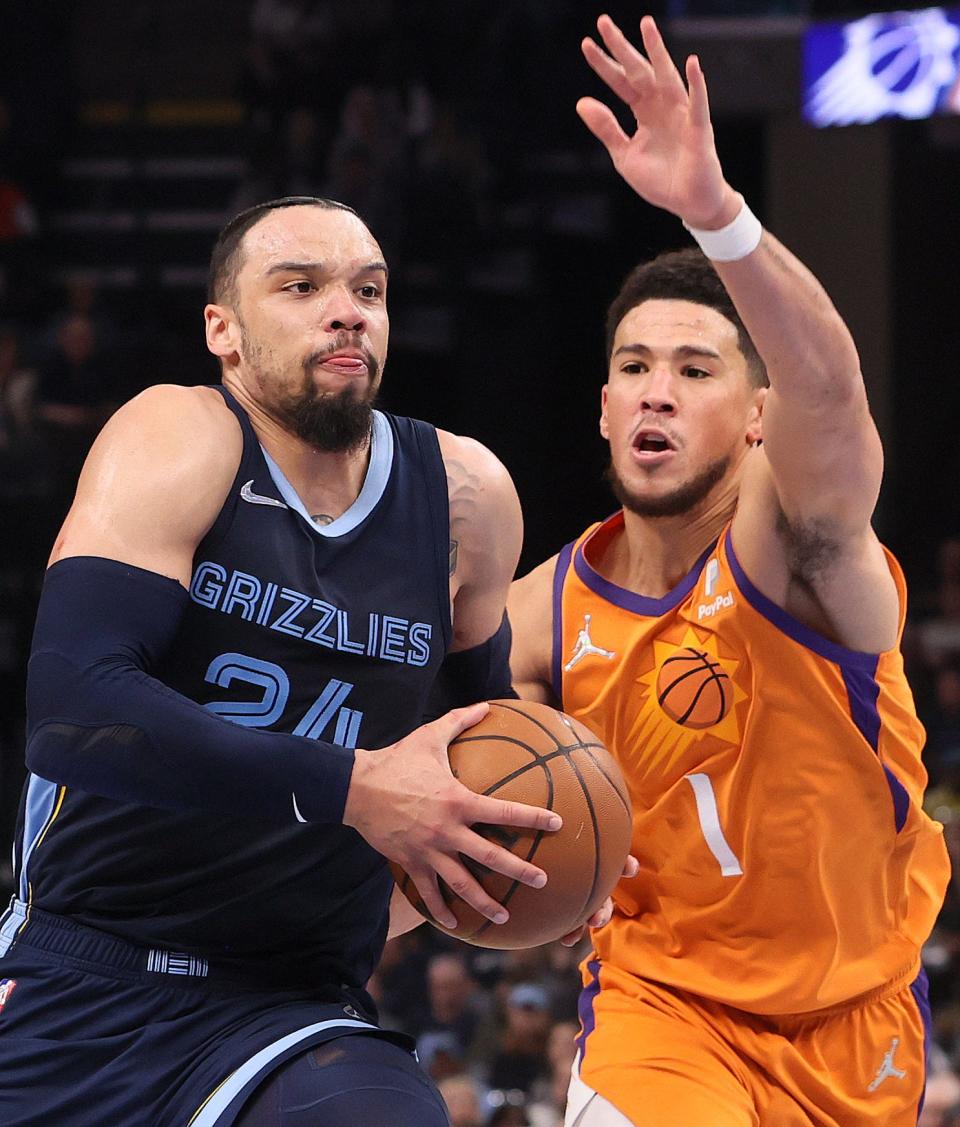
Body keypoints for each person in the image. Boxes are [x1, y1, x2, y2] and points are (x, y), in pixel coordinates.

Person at [0, 195, 567, 1127]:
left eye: (369, 290)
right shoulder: (180, 436)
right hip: (87, 968)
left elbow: (484, 756)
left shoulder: (466, 496)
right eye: (301, 287)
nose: (347, 309)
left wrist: (545, 858)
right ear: (222, 329)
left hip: (296, 1006)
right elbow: (75, 712)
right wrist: (356, 789)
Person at [508, 14, 952, 1127]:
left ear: (758, 417)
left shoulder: (796, 545)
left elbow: (834, 399)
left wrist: (717, 214)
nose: (656, 389)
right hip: (663, 1014)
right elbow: (446, 767)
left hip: (857, 1024)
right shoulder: (539, 609)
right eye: (634, 367)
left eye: (694, 368)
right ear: (603, 408)